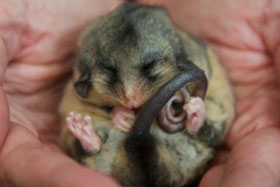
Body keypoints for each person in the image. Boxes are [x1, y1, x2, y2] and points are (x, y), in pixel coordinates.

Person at [0, 0, 279, 186]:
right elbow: (86, 94)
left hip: (181, 152)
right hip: (116, 156)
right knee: (83, 117)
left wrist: (194, 112)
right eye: (111, 75)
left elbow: (198, 81)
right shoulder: (88, 65)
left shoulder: (185, 55)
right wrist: (111, 113)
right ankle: (92, 144)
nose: (131, 98)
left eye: (149, 70)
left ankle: (195, 121)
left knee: (205, 111)